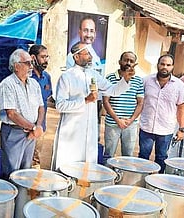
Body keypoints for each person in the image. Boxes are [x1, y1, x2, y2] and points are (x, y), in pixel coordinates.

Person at [51, 42, 130, 171]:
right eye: (87, 53)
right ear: (76, 57)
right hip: (72, 131)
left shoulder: (93, 74)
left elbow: (112, 90)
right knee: (68, 166)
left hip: (90, 130)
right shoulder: (66, 77)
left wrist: (125, 79)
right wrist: (85, 100)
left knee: (86, 169)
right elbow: (60, 105)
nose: (90, 57)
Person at [0, 48, 44, 177]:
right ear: (16, 66)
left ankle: (22, 197)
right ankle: (11, 197)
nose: (31, 66)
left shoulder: (34, 83)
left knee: (26, 172)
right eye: (28, 63)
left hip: (31, 133)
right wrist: (33, 127)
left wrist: (38, 126)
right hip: (14, 132)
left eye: (32, 62)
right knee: (12, 172)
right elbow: (11, 113)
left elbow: (41, 107)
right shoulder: (7, 84)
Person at [138, 54, 184, 173]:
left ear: (172, 67)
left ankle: (157, 184)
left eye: (168, 65)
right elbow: (138, 101)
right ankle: (141, 182)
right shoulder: (146, 81)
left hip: (166, 130)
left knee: (161, 158)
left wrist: (181, 129)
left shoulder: (179, 85)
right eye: (162, 64)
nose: (165, 67)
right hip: (147, 127)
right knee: (143, 157)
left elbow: (182, 107)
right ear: (157, 65)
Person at [103, 51, 143, 157]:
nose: (128, 63)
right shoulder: (110, 78)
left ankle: (124, 174)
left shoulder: (138, 81)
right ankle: (108, 173)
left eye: (131, 61)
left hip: (130, 124)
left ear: (135, 64)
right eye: (126, 60)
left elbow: (140, 103)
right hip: (112, 123)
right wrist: (117, 119)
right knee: (108, 154)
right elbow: (106, 101)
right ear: (120, 61)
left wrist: (130, 120)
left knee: (128, 155)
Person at [28, 44, 52, 168]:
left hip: (40, 126)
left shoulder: (47, 77)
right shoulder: (26, 77)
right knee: (24, 159)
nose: (46, 60)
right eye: (43, 57)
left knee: (36, 158)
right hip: (26, 127)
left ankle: (34, 185)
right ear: (33, 58)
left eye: (47, 57)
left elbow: (46, 100)